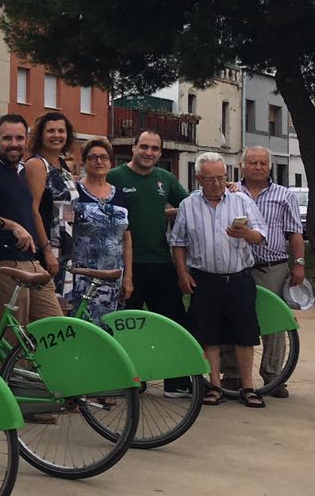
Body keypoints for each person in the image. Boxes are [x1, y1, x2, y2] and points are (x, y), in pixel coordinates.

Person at [169, 153, 268, 407]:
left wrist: (246, 233)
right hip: (204, 279)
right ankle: (215, 385)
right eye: (210, 179)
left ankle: (248, 386)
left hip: (238, 277)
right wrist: (182, 273)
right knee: (208, 334)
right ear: (198, 178)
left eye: (221, 178)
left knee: (244, 334)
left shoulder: (241, 201)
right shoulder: (188, 205)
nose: (216, 184)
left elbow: (261, 235)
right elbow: (178, 242)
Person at [108, 130, 190, 393]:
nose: (149, 152)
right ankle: (131, 381)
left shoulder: (164, 178)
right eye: (144, 146)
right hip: (126, 265)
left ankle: (176, 382)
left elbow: (190, 205)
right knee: (127, 327)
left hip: (160, 261)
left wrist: (227, 189)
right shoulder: (116, 177)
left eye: (155, 148)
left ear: (160, 153)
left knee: (172, 322)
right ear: (133, 148)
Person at [0, 113, 59, 327]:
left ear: (26, 140)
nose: (13, 144)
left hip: (30, 261)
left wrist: (44, 250)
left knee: (55, 329)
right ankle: (8, 363)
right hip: (0, 262)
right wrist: (12, 226)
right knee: (14, 334)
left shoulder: (22, 171)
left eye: (19, 138)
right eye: (7, 139)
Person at [234, 146, 305, 398]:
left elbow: (295, 232)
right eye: (252, 162)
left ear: (270, 166)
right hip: (238, 269)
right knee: (235, 321)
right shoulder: (231, 191)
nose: (258, 167)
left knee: (273, 324)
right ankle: (232, 376)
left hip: (272, 267)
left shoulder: (284, 195)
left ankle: (273, 377)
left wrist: (298, 263)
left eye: (263, 163)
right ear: (242, 165)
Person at [66, 137, 132, 320]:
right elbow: (64, 231)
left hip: (113, 278)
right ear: (84, 162)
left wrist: (128, 277)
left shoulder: (119, 194)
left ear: (110, 162)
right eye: (93, 157)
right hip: (81, 277)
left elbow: (126, 238)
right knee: (81, 327)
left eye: (104, 157)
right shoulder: (74, 192)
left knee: (109, 328)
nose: (99, 161)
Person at [24, 111, 77, 307]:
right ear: (41, 135)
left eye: (61, 131)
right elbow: (33, 210)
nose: (57, 135)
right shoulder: (37, 165)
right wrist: (46, 250)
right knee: (48, 310)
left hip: (66, 250)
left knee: (63, 308)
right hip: (48, 250)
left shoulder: (63, 166)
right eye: (51, 131)